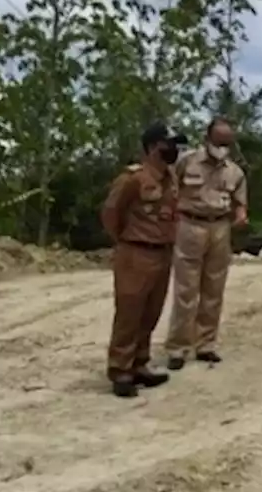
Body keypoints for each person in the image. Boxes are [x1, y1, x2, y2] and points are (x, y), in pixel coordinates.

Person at [100, 123, 187, 398]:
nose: (174, 150)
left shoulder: (171, 178)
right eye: (169, 145)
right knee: (129, 312)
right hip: (136, 252)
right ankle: (120, 370)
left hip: (163, 251)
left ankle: (140, 363)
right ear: (152, 148)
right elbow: (111, 213)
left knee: (151, 312)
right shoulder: (132, 179)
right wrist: (126, 240)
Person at [164, 117, 247, 370]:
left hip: (220, 227)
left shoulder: (234, 171)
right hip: (190, 224)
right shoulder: (186, 161)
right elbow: (169, 188)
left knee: (214, 290)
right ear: (207, 138)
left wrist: (241, 214)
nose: (222, 146)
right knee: (186, 290)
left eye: (226, 142)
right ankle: (178, 348)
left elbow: (240, 202)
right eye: (218, 140)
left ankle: (206, 344)